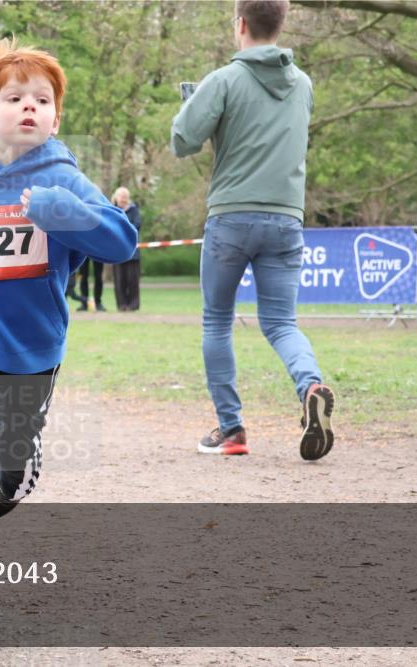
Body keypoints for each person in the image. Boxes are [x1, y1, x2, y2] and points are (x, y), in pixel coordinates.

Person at [0, 37, 136, 634]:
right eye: (14, 97)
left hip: (35, 348)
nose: (29, 108)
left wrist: (60, 211)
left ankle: (5, 479)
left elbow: (120, 242)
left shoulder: (64, 179)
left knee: (7, 476)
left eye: (41, 100)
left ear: (55, 116)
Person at [171, 0, 335, 460]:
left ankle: (232, 429)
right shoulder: (303, 85)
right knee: (282, 322)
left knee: (217, 320)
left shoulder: (223, 80)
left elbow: (183, 141)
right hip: (287, 219)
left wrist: (194, 102)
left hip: (231, 216)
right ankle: (311, 386)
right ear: (281, 24)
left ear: (240, 24)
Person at [111, 187, 142, 311]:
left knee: (133, 279)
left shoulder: (134, 210)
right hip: (117, 251)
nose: (123, 199)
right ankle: (122, 305)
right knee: (119, 279)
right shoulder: (112, 210)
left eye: (125, 197)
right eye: (121, 196)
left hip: (133, 251)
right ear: (116, 198)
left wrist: (124, 231)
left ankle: (133, 305)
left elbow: (137, 225)